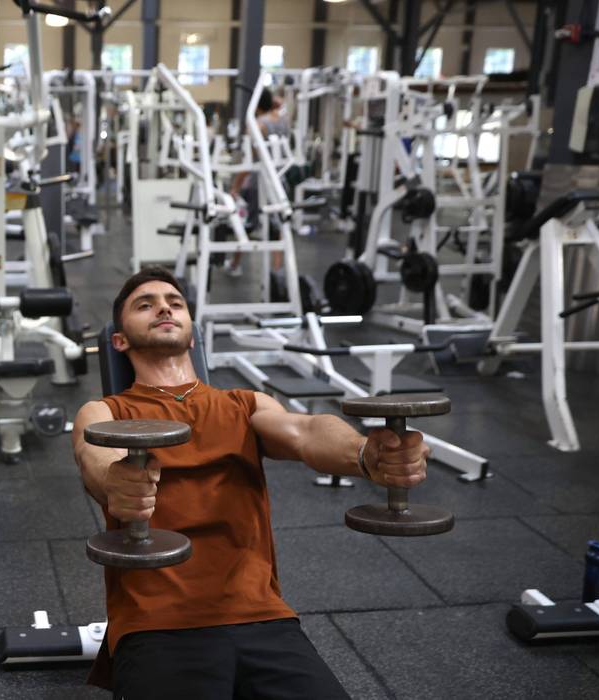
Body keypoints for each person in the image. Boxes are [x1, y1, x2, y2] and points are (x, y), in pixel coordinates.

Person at [73, 267, 431, 698]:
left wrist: (366, 455)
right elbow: (95, 459)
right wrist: (117, 483)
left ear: (192, 335)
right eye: (144, 304)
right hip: (158, 622)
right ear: (119, 340)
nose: (164, 307)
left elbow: (304, 431)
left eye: (175, 302)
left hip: (262, 617)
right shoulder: (104, 411)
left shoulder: (242, 404)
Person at [225, 89, 290, 277]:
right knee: (279, 226)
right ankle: (277, 271)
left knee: (244, 223)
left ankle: (235, 264)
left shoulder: (258, 124)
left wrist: (236, 187)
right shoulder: (283, 120)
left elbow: (249, 159)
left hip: (258, 182)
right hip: (280, 180)